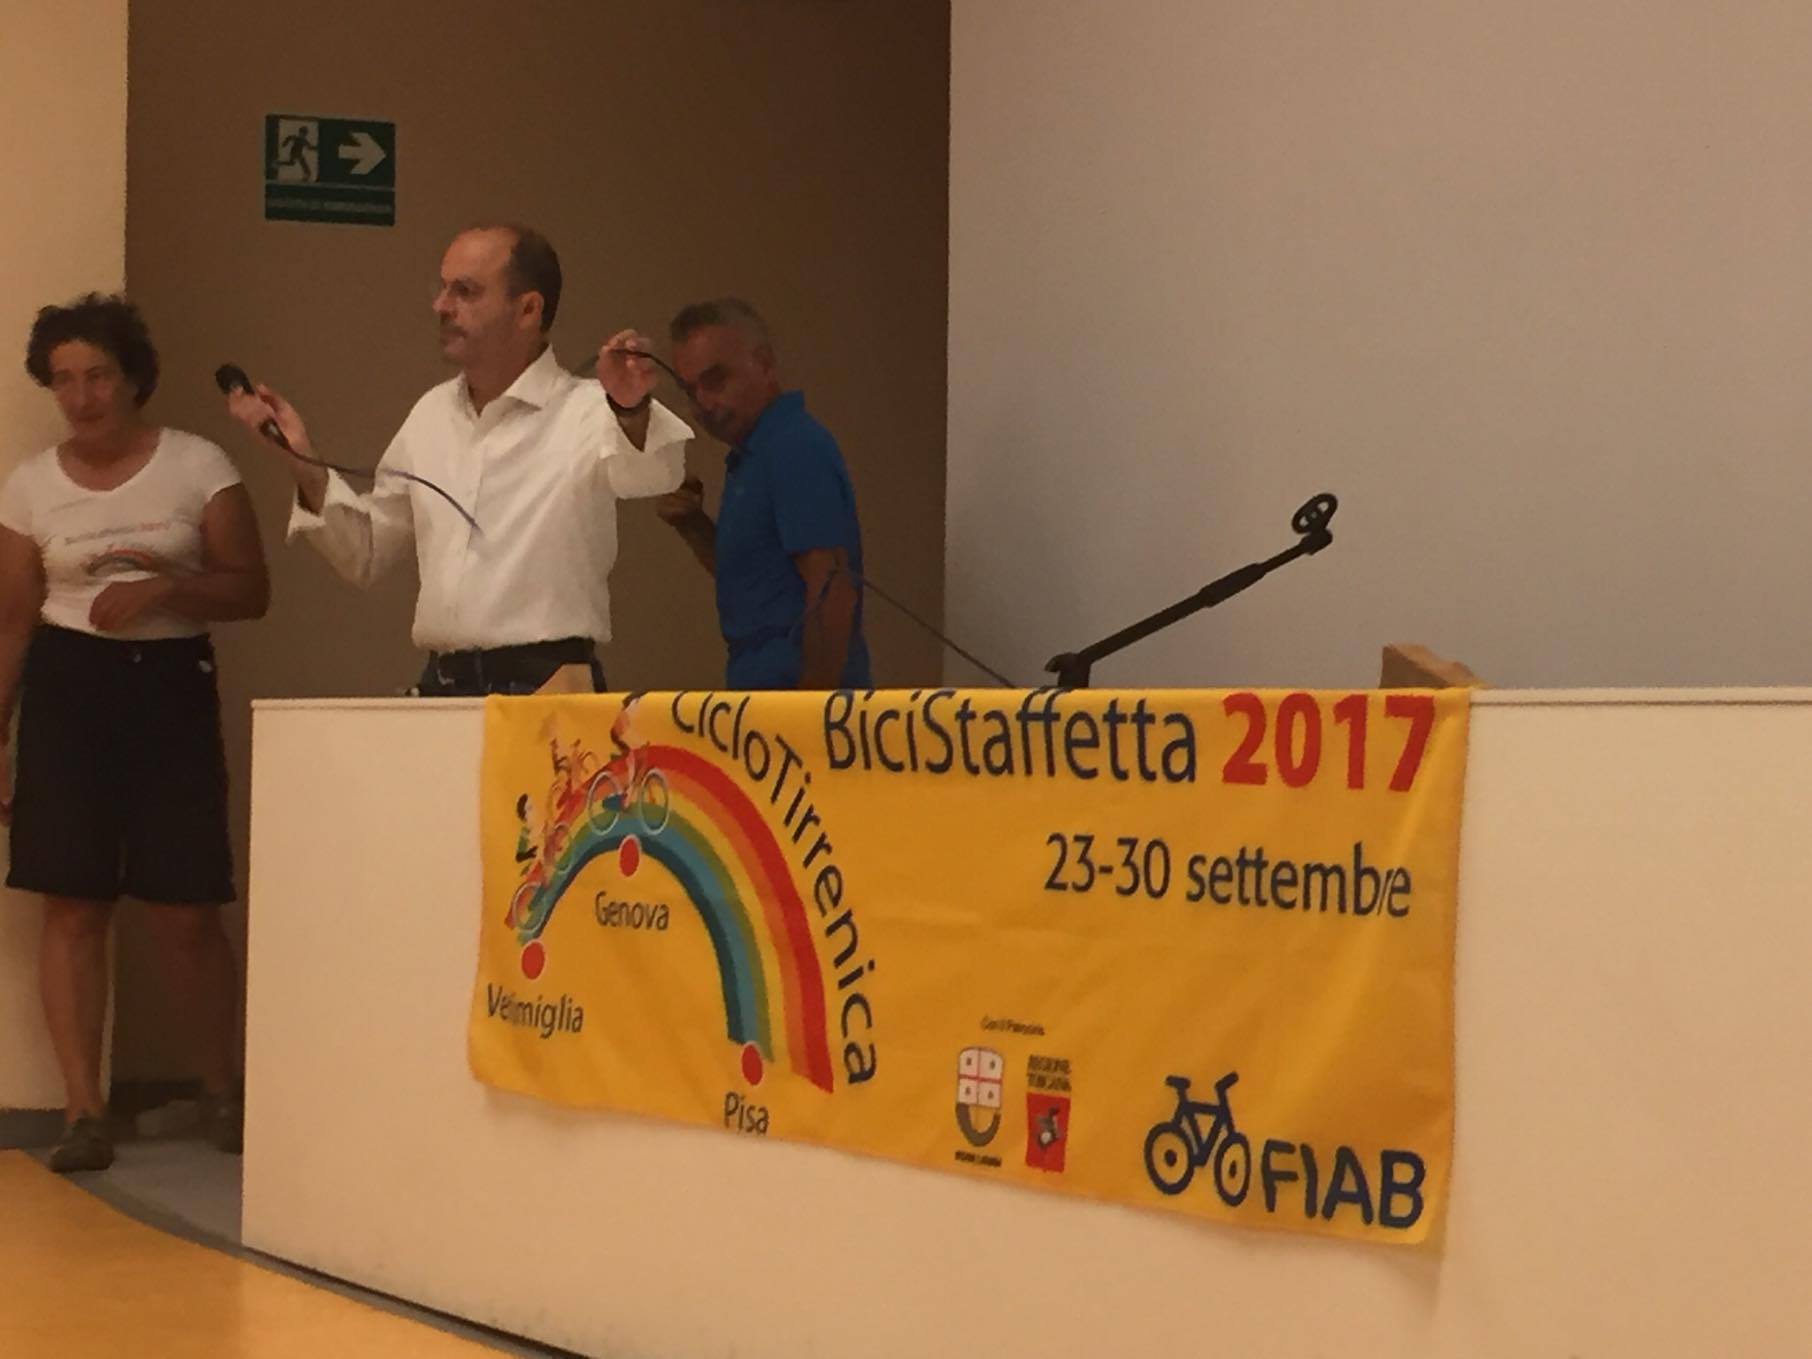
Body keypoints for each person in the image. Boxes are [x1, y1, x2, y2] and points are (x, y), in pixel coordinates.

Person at [0, 294, 270, 1173]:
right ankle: (84, 1110)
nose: (82, 397)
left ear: (132, 379)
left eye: (98, 376)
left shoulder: (197, 464)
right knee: (72, 902)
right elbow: (12, 621)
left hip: (168, 687)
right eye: (64, 380)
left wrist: (164, 589)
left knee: (185, 906)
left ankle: (221, 1088)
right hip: (66, 690)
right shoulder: (29, 486)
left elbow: (250, 588)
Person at [224, 223, 691, 696]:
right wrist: (301, 459)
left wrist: (631, 408)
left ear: (528, 309)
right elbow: (365, 552)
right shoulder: (431, 413)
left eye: (465, 291)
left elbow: (656, 474)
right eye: (443, 288)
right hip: (443, 685)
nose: (441, 306)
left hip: (548, 685)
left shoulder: (590, 409)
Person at [656, 299, 870, 690]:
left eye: (716, 380)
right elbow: (757, 581)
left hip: (794, 702)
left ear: (765, 364)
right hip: (757, 697)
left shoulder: (793, 446)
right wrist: (694, 527)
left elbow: (833, 590)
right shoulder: (752, 456)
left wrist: (808, 714)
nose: (703, 404)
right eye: (690, 390)